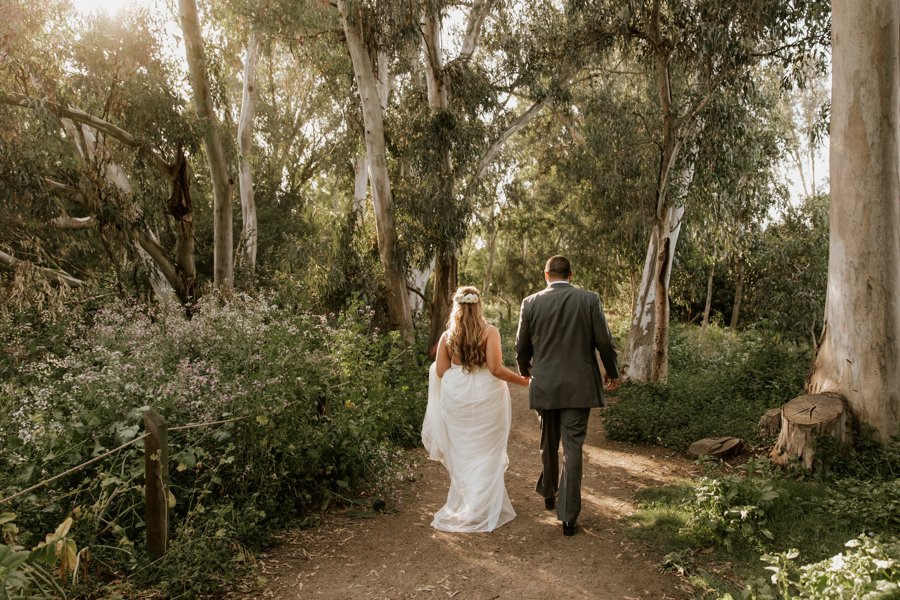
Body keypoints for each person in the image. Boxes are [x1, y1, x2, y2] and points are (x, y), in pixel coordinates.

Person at [515, 255, 620, 536]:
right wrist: (612, 371)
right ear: (570, 275)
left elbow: (521, 344)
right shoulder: (589, 300)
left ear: (546, 274)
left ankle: (549, 491)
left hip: (545, 384)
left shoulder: (531, 302)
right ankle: (568, 517)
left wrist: (526, 371)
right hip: (579, 387)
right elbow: (605, 342)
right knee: (572, 449)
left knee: (548, 442)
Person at [422, 286, 530, 532]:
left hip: (456, 398)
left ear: (457, 308)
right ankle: (482, 505)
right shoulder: (489, 332)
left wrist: (458, 372)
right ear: (478, 305)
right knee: (487, 449)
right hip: (487, 396)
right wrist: (523, 381)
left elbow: (440, 371)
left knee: (464, 450)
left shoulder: (447, 336)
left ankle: (471, 503)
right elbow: (495, 368)